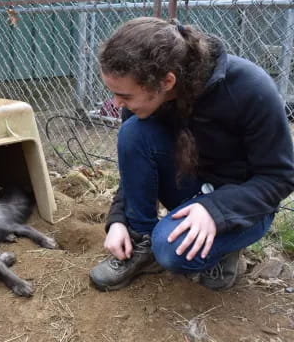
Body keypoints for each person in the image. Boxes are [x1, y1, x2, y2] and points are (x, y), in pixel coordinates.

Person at [89, 17, 294, 291]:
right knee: (133, 133)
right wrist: (119, 220)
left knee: (170, 251)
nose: (116, 103)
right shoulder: (144, 100)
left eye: (123, 95)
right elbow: (134, 166)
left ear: (167, 81)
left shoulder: (250, 88)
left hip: (243, 205)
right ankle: (140, 243)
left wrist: (215, 210)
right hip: (192, 185)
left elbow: (279, 177)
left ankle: (225, 249)